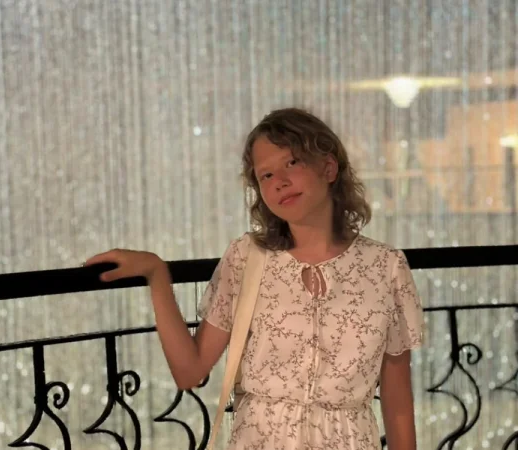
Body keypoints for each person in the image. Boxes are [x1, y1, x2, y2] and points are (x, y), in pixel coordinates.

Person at [85, 107, 425, 449]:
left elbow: (397, 400)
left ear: (328, 167)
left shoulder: (386, 266)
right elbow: (189, 372)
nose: (280, 181)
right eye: (266, 175)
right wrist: (157, 274)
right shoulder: (245, 258)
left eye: (292, 162)